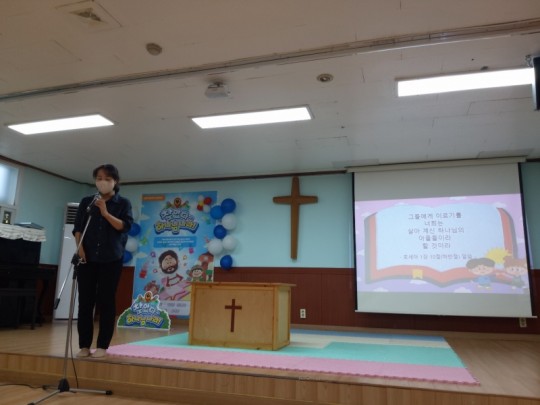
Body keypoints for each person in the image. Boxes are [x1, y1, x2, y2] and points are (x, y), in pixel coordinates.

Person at [72, 164, 133, 358]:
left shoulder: (123, 203)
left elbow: (124, 227)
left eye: (107, 179)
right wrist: (80, 248)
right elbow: (78, 228)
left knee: (106, 302)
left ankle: (102, 346)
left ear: (115, 181)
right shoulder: (87, 202)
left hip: (111, 259)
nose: (102, 182)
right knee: (85, 302)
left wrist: (105, 213)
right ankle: (84, 345)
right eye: (99, 178)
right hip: (87, 258)